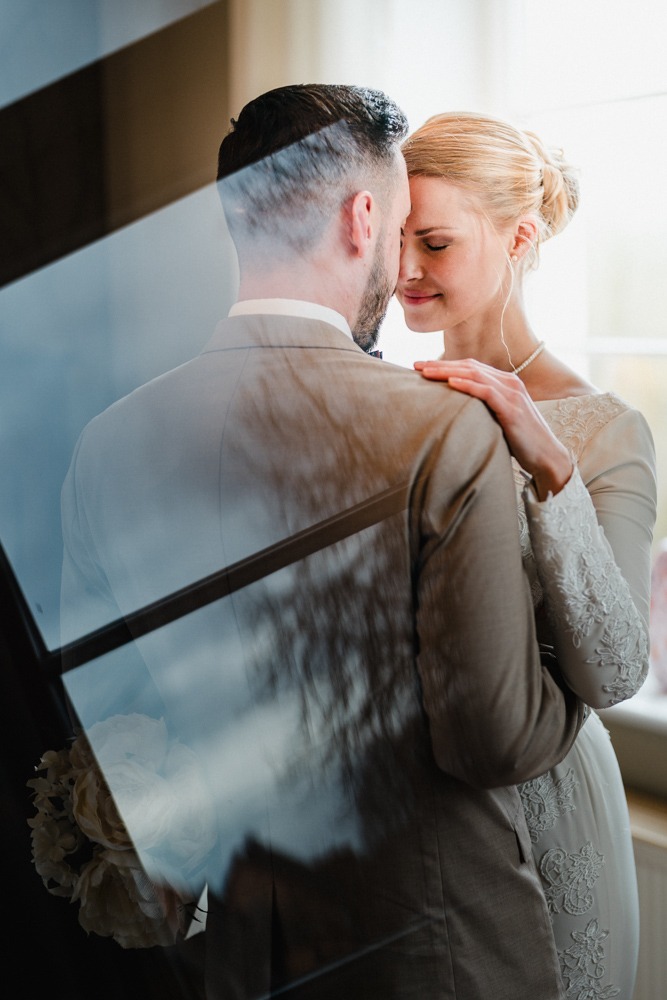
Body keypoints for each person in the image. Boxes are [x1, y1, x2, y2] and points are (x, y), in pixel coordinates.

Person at [59, 86, 584, 1000]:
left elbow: (113, 729)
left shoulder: (105, 444)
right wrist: (572, 679)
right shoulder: (440, 431)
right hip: (436, 955)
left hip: (245, 954)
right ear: (362, 216)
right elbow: (493, 743)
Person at [397, 110, 657, 1000]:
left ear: (518, 236)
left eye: (431, 241)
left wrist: (548, 466)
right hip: (407, 820)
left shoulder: (604, 430)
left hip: (546, 820)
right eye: (394, 238)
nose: (402, 270)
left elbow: (616, 668)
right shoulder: (385, 407)